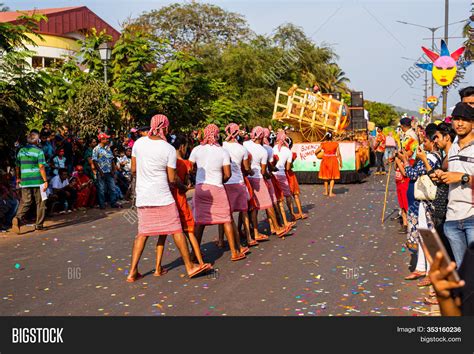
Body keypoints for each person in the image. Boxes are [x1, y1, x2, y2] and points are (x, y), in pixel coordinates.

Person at [127, 114, 211, 282]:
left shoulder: (138, 144)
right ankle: (190, 266)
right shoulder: (168, 149)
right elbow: (172, 179)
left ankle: (132, 272)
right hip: (163, 196)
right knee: (176, 230)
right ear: (164, 128)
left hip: (143, 196)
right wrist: (183, 188)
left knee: (142, 234)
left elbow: (134, 170)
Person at [189, 124, 247, 261]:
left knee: (199, 222)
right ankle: (234, 252)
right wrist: (220, 181)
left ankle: (194, 255)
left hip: (200, 188)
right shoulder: (222, 152)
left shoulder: (196, 150)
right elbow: (227, 174)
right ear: (216, 135)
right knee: (226, 218)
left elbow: (189, 168)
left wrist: (198, 175)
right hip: (217, 187)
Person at [431, 102, 473, 267]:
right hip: (453, 217)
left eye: (464, 119)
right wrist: (441, 176)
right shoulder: (454, 146)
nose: (460, 123)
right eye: (456, 119)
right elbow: (452, 173)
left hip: (472, 217)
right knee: (464, 270)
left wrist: (462, 177)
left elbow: (460, 176)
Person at [399, 124, 442, 286]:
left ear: (433, 141)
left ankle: (430, 271)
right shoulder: (433, 156)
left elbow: (411, 174)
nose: (423, 144)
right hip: (422, 200)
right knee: (423, 235)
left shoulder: (430, 158)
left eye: (425, 140)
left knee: (427, 235)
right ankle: (422, 267)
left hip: (426, 200)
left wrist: (405, 161)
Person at [244, 126, 291, 239]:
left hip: (247, 178)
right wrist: (269, 175)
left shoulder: (245, 145)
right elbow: (264, 170)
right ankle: (277, 227)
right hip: (258, 178)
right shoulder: (263, 151)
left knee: (252, 207)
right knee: (269, 204)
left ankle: (253, 233)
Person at [170, 135, 207, 268]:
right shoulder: (185, 163)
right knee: (189, 230)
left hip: (168, 197)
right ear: (182, 147)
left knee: (165, 234)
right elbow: (185, 181)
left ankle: (157, 266)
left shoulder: (169, 161)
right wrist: (185, 187)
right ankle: (198, 259)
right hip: (180, 197)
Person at [221, 123, 256, 247]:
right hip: (239, 182)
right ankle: (249, 237)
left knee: (226, 214)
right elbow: (246, 168)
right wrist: (251, 171)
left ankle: (221, 240)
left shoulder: (222, 146)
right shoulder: (242, 149)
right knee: (244, 211)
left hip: (225, 182)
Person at [12, 131, 48, 233]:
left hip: (25, 180)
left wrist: (18, 178)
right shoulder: (39, 151)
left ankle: (17, 218)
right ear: (37, 140)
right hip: (38, 180)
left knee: (26, 201)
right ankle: (39, 225)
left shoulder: (21, 151)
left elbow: (17, 166)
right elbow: (41, 167)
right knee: (41, 202)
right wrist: (45, 180)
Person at [92, 133, 120, 209]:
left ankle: (113, 203)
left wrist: (113, 169)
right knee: (101, 189)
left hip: (109, 172)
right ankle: (102, 205)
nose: (107, 140)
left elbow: (111, 159)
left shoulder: (108, 148)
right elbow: (94, 161)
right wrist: (100, 171)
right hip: (101, 172)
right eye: (106, 139)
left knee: (112, 188)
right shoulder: (96, 149)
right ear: (101, 139)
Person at [314, 132, 342, 197]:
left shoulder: (323, 144)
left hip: (325, 160)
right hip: (333, 160)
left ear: (326, 137)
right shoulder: (336, 144)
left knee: (325, 177)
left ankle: (326, 191)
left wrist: (319, 154)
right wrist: (341, 162)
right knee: (332, 177)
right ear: (331, 137)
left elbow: (316, 151)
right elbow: (338, 154)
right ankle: (330, 193)